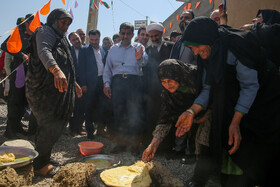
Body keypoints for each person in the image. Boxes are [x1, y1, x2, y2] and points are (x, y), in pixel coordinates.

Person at [180, 17, 280, 186]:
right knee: (229, 144)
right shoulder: (207, 55)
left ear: (207, 39)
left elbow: (249, 86)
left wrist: (235, 121)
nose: (196, 52)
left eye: (197, 46)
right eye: (191, 48)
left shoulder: (235, 47)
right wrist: (191, 111)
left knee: (256, 156)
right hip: (232, 105)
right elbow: (207, 89)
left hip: (259, 106)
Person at [25, 8, 81, 177]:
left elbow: (68, 64)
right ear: (53, 20)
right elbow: (44, 51)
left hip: (59, 89)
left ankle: (43, 158)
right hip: (43, 90)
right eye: (63, 22)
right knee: (49, 124)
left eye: (68, 24)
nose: (65, 27)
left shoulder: (62, 38)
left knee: (56, 125)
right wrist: (56, 70)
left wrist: (74, 84)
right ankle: (40, 165)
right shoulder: (44, 31)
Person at [142, 59, 210, 163]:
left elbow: (213, 94)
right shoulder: (167, 93)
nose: (167, 85)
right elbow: (165, 117)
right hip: (193, 118)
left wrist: (207, 115)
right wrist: (153, 144)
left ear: (177, 75)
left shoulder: (197, 75)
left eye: (170, 80)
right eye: (163, 82)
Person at [103, 22, 147, 142]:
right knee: (119, 112)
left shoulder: (139, 47)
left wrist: (139, 59)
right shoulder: (112, 49)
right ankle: (120, 142)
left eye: (128, 34)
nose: (125, 36)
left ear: (133, 34)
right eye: (123, 33)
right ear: (120, 33)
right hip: (117, 83)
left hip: (134, 82)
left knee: (135, 112)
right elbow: (107, 68)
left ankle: (135, 143)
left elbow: (145, 63)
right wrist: (106, 84)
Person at [1, 15, 37, 139]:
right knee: (15, 101)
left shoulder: (34, 35)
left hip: (31, 73)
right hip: (19, 71)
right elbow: (5, 45)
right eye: (32, 23)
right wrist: (21, 55)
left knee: (23, 102)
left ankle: (17, 127)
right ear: (26, 23)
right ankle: (9, 131)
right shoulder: (18, 32)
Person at [143, 22, 173, 136]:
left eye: (156, 35)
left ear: (161, 33)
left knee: (167, 116)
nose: (154, 38)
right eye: (151, 36)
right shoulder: (147, 50)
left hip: (169, 89)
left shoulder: (171, 46)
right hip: (152, 90)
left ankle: (167, 147)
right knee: (152, 115)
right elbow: (145, 72)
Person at [79, 29, 106, 139]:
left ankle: (100, 130)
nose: (94, 42)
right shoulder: (84, 50)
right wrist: (83, 84)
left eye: (96, 40)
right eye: (92, 40)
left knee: (101, 107)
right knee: (89, 108)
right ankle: (90, 132)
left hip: (102, 82)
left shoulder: (104, 50)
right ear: (88, 39)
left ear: (99, 38)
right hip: (89, 84)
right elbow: (81, 68)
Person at [68, 32, 86, 137]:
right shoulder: (69, 51)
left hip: (84, 82)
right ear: (70, 41)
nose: (76, 41)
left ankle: (79, 128)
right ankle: (72, 130)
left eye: (77, 38)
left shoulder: (86, 50)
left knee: (82, 107)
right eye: (73, 40)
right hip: (72, 82)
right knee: (73, 107)